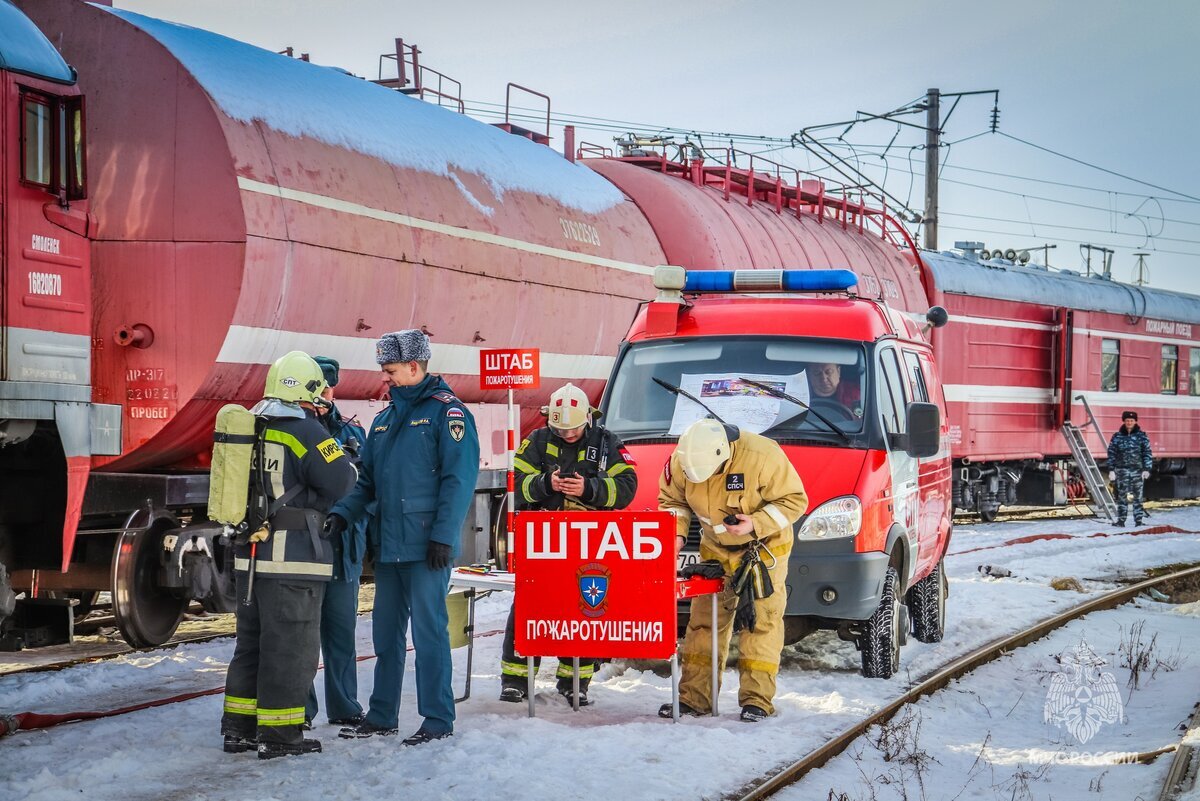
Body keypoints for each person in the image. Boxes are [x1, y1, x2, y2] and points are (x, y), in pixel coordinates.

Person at [325, 330, 480, 746]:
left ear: (414, 367)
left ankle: (437, 718)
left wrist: (444, 538)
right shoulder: (386, 418)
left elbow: (458, 480)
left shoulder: (448, 414)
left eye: (391, 371)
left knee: (429, 634)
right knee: (384, 635)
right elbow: (368, 482)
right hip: (390, 546)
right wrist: (342, 514)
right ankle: (381, 715)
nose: (386, 379)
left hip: (428, 547)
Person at [220, 351, 357, 759]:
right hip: (293, 560)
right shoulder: (305, 430)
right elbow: (343, 481)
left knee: (251, 644)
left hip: (249, 557)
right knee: (290, 646)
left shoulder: (250, 426)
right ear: (307, 391)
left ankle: (238, 730)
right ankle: (280, 736)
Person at [657, 417, 808, 722]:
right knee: (703, 624)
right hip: (714, 550)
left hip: (762, 552)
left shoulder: (763, 456)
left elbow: (795, 500)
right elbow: (672, 501)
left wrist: (757, 523)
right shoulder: (682, 459)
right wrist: (675, 533)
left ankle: (757, 701)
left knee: (760, 624)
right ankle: (694, 698)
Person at [498, 382, 638, 707]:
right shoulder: (538, 439)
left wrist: (588, 489)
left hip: (589, 544)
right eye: (560, 428)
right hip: (544, 543)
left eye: (574, 428)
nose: (568, 434)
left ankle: (575, 682)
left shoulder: (606, 443)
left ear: (588, 418)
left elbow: (628, 487)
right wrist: (547, 483)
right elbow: (516, 486)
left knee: (584, 610)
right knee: (529, 607)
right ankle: (515, 679)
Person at [303, 356, 369, 729]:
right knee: (304, 634)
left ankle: (344, 706)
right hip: (309, 545)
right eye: (320, 388)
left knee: (341, 632)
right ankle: (302, 708)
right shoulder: (297, 427)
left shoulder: (349, 427)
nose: (325, 395)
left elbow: (363, 475)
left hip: (344, 549)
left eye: (329, 388)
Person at [1107, 410, 1153, 527]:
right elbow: (1111, 453)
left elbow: (1147, 452)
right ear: (1124, 421)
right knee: (1122, 497)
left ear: (1135, 422)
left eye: (1131, 421)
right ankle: (1121, 521)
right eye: (1127, 420)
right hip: (1122, 471)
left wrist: (1147, 468)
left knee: (1138, 497)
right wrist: (1111, 469)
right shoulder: (1117, 437)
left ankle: (1138, 521)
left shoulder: (1142, 436)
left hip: (1137, 471)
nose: (1129, 422)